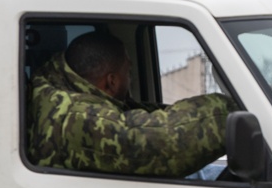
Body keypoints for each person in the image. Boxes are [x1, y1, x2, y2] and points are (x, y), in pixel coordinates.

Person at [29, 31, 235, 178]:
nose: (131, 78)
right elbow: (156, 142)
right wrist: (231, 113)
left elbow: (137, 113)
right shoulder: (75, 117)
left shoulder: (61, 84)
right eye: (128, 72)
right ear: (111, 81)